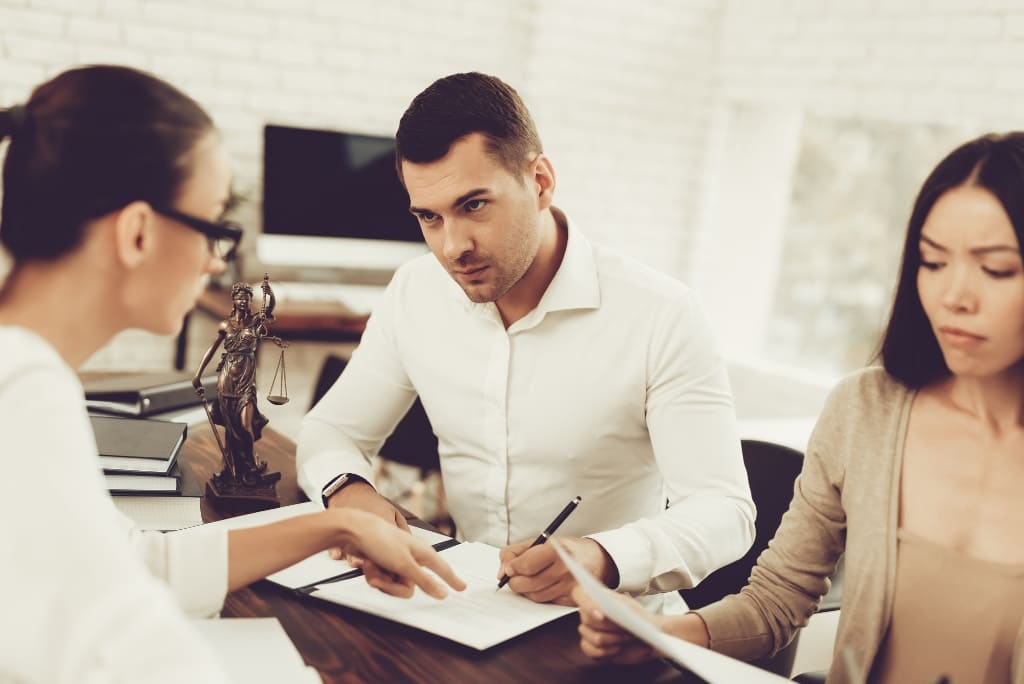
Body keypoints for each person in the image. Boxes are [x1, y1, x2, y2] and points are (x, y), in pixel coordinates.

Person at [0, 65, 464, 684]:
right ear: (138, 232)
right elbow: (125, 656)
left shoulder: (25, 377)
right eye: (215, 225)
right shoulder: (22, 396)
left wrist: (336, 523)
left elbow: (133, 562)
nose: (219, 258)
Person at [572, 133, 1024, 684]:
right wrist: (660, 637)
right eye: (932, 261)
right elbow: (776, 601)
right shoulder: (865, 411)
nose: (954, 295)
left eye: (996, 269)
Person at [297, 71, 755, 614]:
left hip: (611, 629)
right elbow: (331, 430)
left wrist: (603, 556)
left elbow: (725, 511)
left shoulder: (662, 314)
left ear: (539, 180)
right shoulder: (413, 292)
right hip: (467, 611)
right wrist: (350, 492)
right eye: (429, 217)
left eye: (474, 206)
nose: (452, 247)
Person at [192, 278, 282, 490]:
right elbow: (212, 349)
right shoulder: (226, 325)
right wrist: (198, 374)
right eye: (240, 299)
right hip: (227, 380)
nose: (243, 302)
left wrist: (270, 293)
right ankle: (233, 469)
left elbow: (269, 309)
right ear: (234, 301)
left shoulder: (255, 322)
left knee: (245, 426)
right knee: (231, 428)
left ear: (251, 301)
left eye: (247, 299)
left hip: (246, 380)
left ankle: (250, 466)